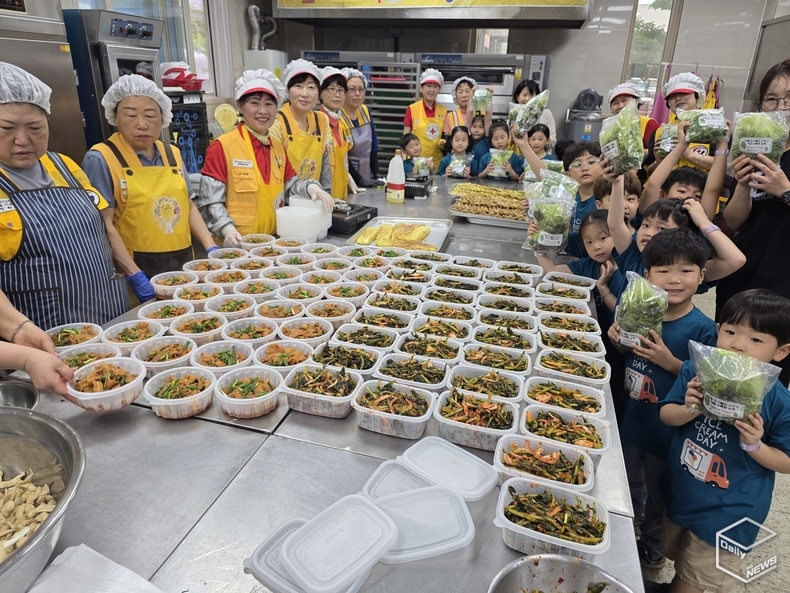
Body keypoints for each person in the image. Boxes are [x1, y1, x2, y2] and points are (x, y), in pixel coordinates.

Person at [659, 289, 790, 593]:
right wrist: (689, 408)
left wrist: (756, 445)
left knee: (694, 580)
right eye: (730, 332)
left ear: (781, 351)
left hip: (731, 512)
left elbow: (786, 460)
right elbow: (666, 414)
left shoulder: (778, 401)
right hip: (684, 491)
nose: (738, 345)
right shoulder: (696, 371)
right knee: (677, 556)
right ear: (718, 330)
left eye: (756, 339)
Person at [609, 228, 718, 570]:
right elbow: (628, 353)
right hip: (633, 417)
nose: (674, 279)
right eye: (663, 270)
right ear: (647, 275)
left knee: (659, 490)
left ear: (701, 276)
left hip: (667, 432)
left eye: (685, 270)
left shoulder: (702, 329)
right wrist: (618, 340)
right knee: (627, 478)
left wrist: (668, 361)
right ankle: (629, 523)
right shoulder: (640, 311)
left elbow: (706, 384)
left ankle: (653, 546)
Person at [0, 62, 127, 329]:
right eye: (6, 128)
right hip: (44, 329)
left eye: (35, 128)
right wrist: (19, 330)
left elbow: (104, 228)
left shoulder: (64, 165)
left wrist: (133, 273)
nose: (22, 139)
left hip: (109, 310)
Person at [81, 75, 218, 300]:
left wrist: (211, 247)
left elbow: (189, 206)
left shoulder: (172, 153)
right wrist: (135, 276)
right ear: (115, 116)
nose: (142, 124)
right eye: (131, 115)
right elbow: (103, 225)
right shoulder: (101, 158)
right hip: (134, 270)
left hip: (183, 264)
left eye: (150, 115)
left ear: (162, 117)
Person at [197, 69, 334, 245]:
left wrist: (311, 188)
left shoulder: (277, 147)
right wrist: (226, 229)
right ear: (240, 106)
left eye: (269, 104)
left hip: (273, 244)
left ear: (276, 109)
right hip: (236, 246)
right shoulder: (222, 147)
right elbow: (210, 202)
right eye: (255, 103)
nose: (263, 111)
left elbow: (291, 185)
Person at [717, 61, 790, 324]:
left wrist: (785, 190)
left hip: (782, 287)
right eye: (771, 99)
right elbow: (734, 221)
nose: (782, 106)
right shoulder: (756, 149)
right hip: (742, 274)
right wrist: (744, 183)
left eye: (789, 97)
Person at [605, 169, 746, 287]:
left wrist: (704, 223)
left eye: (661, 229)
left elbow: (736, 260)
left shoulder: (690, 271)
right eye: (646, 225)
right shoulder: (633, 256)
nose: (648, 232)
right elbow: (616, 224)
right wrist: (617, 183)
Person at [639, 119, 730, 221]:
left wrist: (723, 143)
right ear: (662, 194)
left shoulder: (701, 220)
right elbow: (653, 184)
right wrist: (682, 145)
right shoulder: (652, 213)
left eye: (697, 196)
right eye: (682, 191)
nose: (689, 197)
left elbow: (713, 190)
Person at [271, 59, 332, 191]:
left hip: (314, 196)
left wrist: (326, 194)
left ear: (319, 93)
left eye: (311, 87)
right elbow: (275, 172)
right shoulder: (276, 123)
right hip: (286, 198)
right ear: (287, 91)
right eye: (298, 86)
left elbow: (326, 163)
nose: (304, 94)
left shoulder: (321, 120)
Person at [647, 73, 714, 173]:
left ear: (697, 96)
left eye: (684, 93)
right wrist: (658, 162)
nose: (678, 98)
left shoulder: (713, 128)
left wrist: (689, 155)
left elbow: (724, 166)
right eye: (672, 96)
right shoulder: (659, 133)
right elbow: (649, 171)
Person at [318, 67, 363, 199]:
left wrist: (348, 178)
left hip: (341, 197)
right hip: (323, 199)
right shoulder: (317, 124)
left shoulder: (341, 123)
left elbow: (340, 160)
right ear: (320, 93)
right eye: (331, 89)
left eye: (341, 90)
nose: (337, 95)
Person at [340, 68, 381, 186]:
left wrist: (377, 174)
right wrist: (359, 180)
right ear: (343, 92)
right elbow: (341, 156)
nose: (357, 94)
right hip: (347, 177)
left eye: (361, 89)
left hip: (366, 173)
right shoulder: (338, 116)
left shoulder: (364, 111)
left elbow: (373, 147)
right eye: (352, 89)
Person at [403, 68, 447, 165]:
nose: (432, 90)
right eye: (428, 86)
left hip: (436, 163)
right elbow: (405, 138)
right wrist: (403, 162)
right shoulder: (412, 109)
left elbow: (445, 137)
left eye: (435, 86)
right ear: (421, 88)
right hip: (414, 163)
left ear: (439, 89)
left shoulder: (444, 111)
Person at [607, 82, 659, 150]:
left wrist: (632, 152)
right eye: (615, 103)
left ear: (636, 101)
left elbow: (656, 152)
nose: (620, 106)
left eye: (624, 100)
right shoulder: (609, 128)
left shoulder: (649, 124)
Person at [512, 79, 556, 149]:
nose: (527, 99)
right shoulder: (514, 114)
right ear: (517, 97)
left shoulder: (546, 113)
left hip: (540, 154)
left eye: (531, 95)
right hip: (519, 153)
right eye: (524, 95)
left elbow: (553, 140)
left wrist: (537, 141)